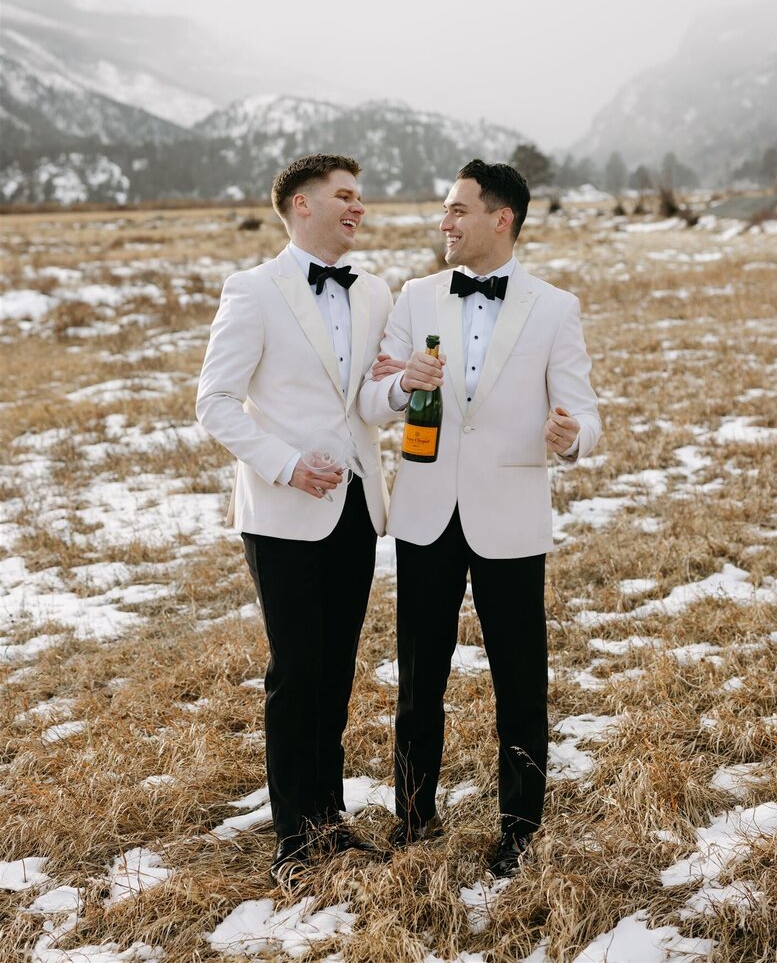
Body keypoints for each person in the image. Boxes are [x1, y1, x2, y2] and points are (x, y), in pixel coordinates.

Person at [359, 159, 601, 877]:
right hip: (427, 513)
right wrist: (404, 384)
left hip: (511, 515)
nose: (446, 222)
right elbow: (373, 403)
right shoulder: (415, 296)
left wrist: (573, 438)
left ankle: (520, 830)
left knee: (521, 684)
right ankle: (413, 819)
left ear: (502, 218)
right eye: (444, 209)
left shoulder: (555, 308)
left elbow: (587, 414)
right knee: (417, 683)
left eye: (459, 210)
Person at [197, 154, 392, 887]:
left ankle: (330, 818)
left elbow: (367, 404)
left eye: (361, 197)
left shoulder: (373, 291)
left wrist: (403, 390)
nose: (358, 208)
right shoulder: (254, 291)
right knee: (296, 668)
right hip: (282, 510)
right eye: (345, 196)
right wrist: (285, 463)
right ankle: (293, 839)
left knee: (337, 669)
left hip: (356, 504)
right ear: (301, 206)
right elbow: (214, 403)